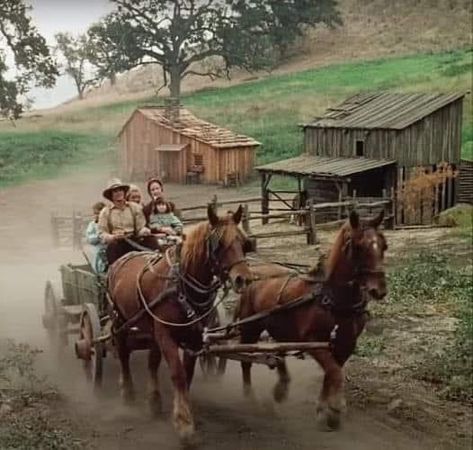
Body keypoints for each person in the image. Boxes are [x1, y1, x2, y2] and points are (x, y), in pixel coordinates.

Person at [98, 179, 158, 265]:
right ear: (111, 195)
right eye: (115, 191)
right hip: (117, 243)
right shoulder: (106, 212)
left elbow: (140, 227)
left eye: (120, 190)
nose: (118, 193)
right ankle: (114, 274)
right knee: (112, 249)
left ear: (124, 192)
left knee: (151, 240)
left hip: (134, 240)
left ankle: (158, 265)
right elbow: (102, 233)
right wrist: (113, 237)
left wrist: (144, 231)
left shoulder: (134, 207)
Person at [85, 201, 107, 273]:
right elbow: (90, 238)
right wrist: (98, 236)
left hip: (107, 248)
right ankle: (98, 273)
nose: (97, 215)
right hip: (98, 248)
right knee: (98, 262)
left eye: (99, 213)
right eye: (95, 213)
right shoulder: (92, 225)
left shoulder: (108, 223)